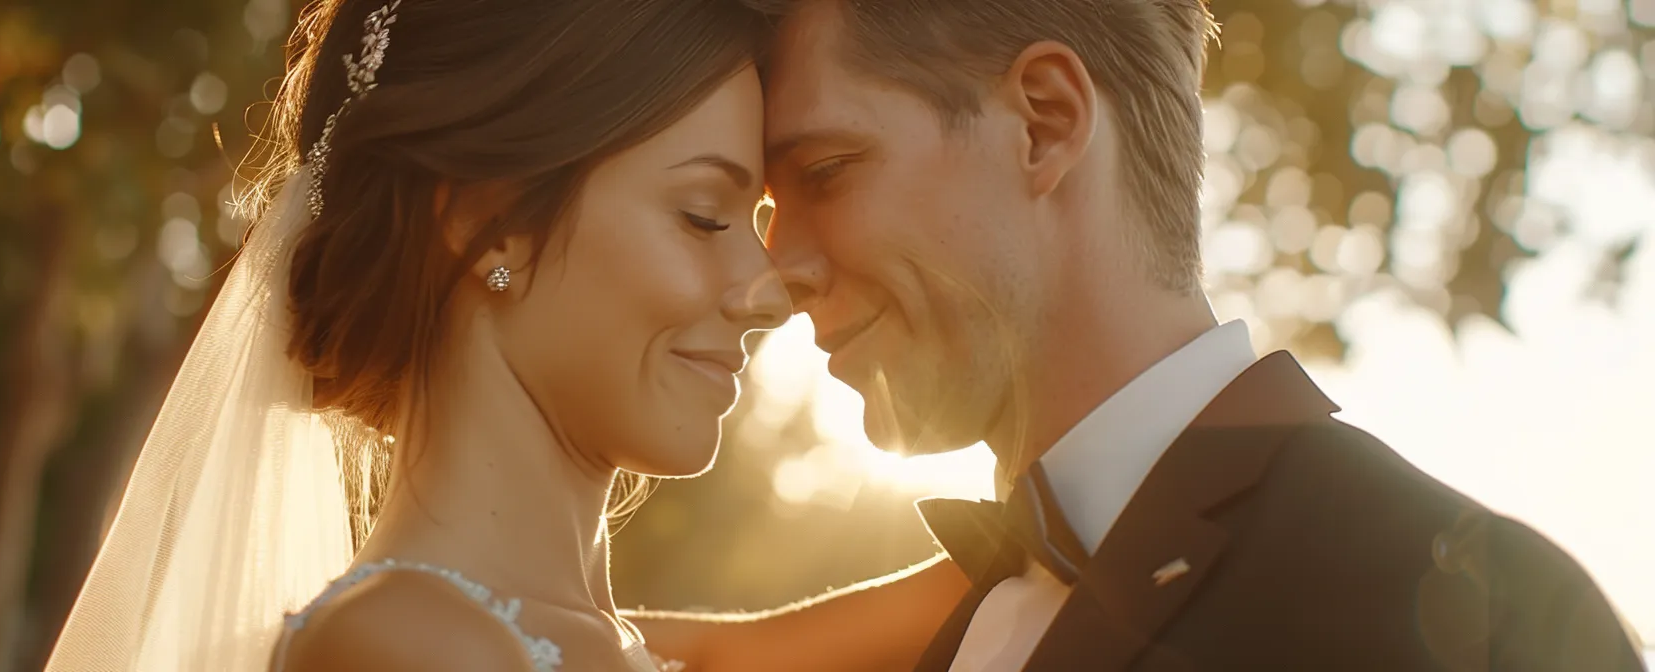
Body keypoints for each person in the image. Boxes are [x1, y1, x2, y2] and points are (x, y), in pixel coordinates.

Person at [631, 0, 1646, 669]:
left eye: (824, 174)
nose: (776, 271)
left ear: (1043, 121)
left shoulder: (1491, 620)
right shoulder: (927, 631)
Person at [42, 0, 800, 669]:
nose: (770, 295)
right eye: (704, 215)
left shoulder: (602, 642)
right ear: (489, 222)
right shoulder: (406, 648)